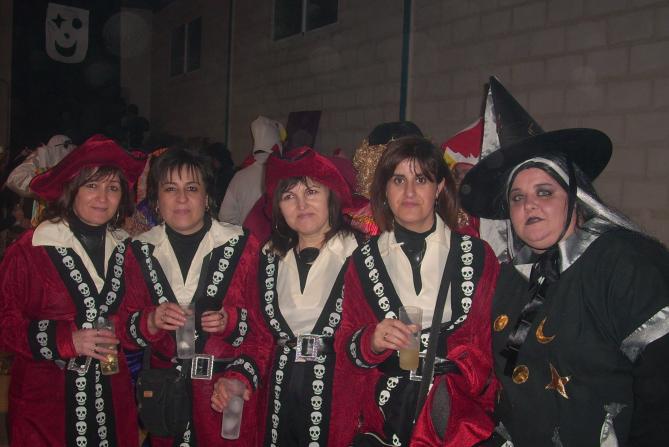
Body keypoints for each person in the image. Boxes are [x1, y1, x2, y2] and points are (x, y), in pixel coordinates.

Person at [459, 126, 669, 446]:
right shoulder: (513, 278)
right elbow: (506, 377)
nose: (529, 205)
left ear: (575, 197)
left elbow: (661, 380)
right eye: (517, 198)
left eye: (544, 192)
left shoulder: (623, 260)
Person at [338, 136, 500, 446]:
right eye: (398, 180)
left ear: (439, 188)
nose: (409, 192)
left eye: (421, 179)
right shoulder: (362, 261)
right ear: (385, 190)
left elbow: (490, 343)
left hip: (454, 418)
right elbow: (345, 344)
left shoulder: (478, 255)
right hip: (389, 417)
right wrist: (372, 341)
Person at [0, 135, 145, 446]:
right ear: (72, 188)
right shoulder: (30, 249)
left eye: (113, 188)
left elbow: (133, 320)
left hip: (112, 402)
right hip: (45, 411)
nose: (103, 197)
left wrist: (150, 322)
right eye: (92, 185)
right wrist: (66, 339)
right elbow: (4, 323)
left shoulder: (128, 251)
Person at [211, 147, 359, 446]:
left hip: (340, 401)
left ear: (331, 196)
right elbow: (260, 339)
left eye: (311, 192)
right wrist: (238, 379)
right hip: (280, 399)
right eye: (289, 196)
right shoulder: (268, 258)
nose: (301, 204)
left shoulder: (361, 256)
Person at [122, 147, 261, 446]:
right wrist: (151, 321)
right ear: (156, 200)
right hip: (166, 399)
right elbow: (123, 328)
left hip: (224, 395)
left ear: (207, 197)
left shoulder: (243, 245)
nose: (182, 198)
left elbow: (265, 327)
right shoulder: (138, 251)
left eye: (192, 188)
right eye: (170, 189)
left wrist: (230, 321)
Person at [218, 115, 285, 225]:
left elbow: (225, 216)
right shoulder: (286, 175)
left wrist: (243, 231)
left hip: (245, 235)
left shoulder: (240, 176)